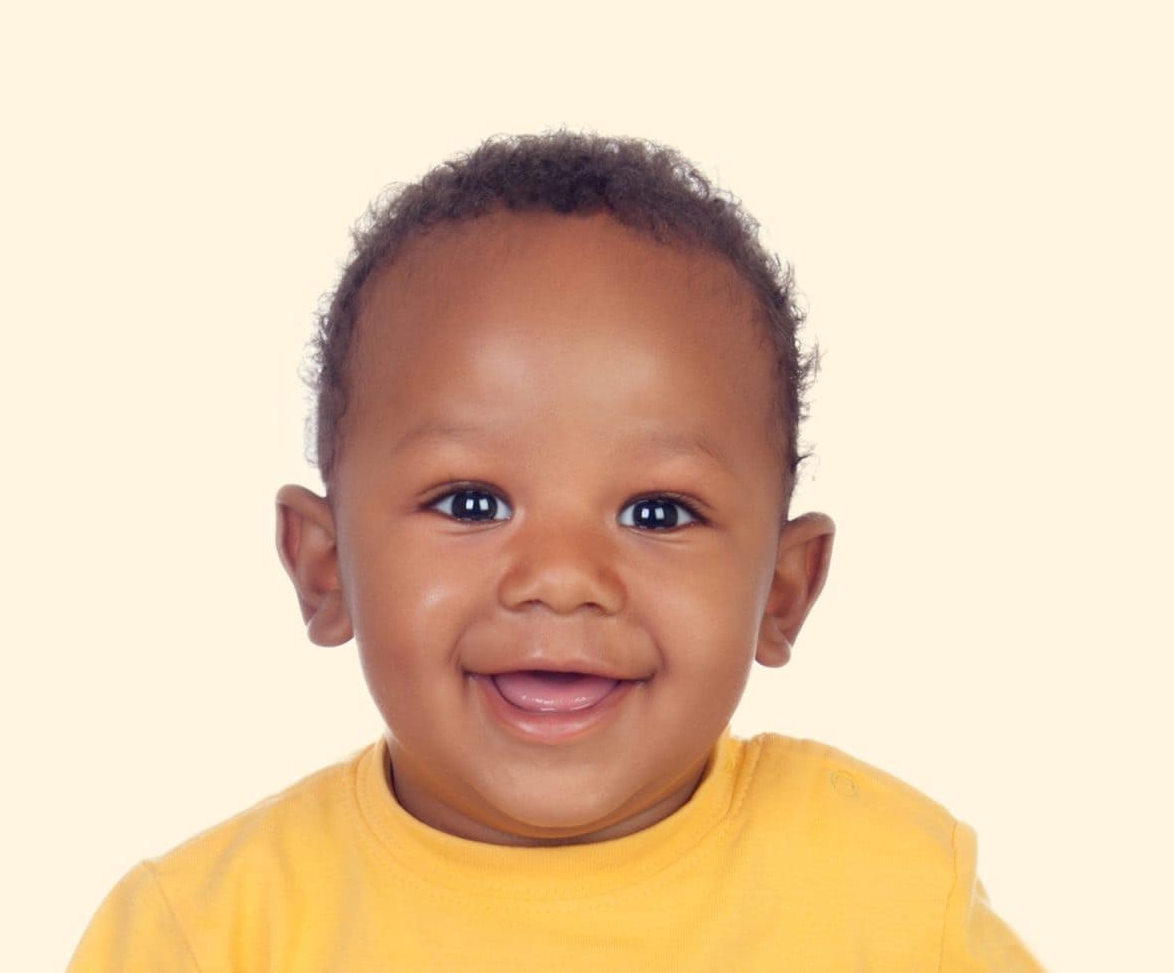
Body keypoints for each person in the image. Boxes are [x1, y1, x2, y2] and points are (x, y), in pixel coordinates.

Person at [69, 132, 1043, 970]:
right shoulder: (204, 933)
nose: (563, 577)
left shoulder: (893, 894)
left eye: (658, 512)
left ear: (783, 592)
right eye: (470, 499)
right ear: (325, 568)